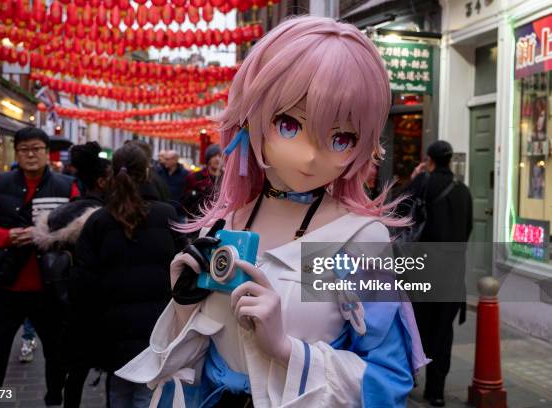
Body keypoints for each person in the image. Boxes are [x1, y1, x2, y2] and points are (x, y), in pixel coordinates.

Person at [116, 16, 426, 407]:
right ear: (250, 118)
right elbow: (197, 361)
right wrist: (184, 306)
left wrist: (286, 350)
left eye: (341, 137)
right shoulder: (226, 222)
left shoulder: (358, 238)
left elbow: (388, 377)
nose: (312, 156)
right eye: (290, 125)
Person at [71, 144, 184, 407]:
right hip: (156, 326)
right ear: (147, 172)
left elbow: (82, 280)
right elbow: (183, 267)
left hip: (111, 328)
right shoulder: (166, 214)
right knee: (147, 393)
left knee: (118, 392)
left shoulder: (98, 221)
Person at [0, 127, 79, 407]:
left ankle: (54, 399)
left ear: (47, 153)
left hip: (50, 289)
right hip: (9, 285)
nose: (30, 155)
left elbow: (80, 230)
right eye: (24, 149)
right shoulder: (1, 183)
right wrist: (7, 236)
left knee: (56, 353)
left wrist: (48, 236)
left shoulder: (67, 185)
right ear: (16, 153)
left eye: (36, 149)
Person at [32, 141, 111, 408]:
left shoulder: (57, 215)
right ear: (101, 181)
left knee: (55, 355)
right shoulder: (104, 218)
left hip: (52, 299)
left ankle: (53, 397)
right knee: (81, 363)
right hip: (88, 303)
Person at [401, 140, 473, 407]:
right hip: (453, 274)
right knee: (443, 333)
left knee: (415, 327)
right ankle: (437, 392)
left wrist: (415, 178)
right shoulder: (464, 191)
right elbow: (466, 231)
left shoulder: (424, 183)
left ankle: (408, 380)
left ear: (429, 160)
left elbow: (398, 210)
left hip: (423, 271)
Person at [181, 144, 223, 219]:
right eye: (214, 156)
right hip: (198, 220)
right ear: (208, 159)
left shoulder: (226, 178)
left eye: (220, 156)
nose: (217, 159)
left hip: (220, 221)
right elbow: (185, 201)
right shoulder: (194, 177)